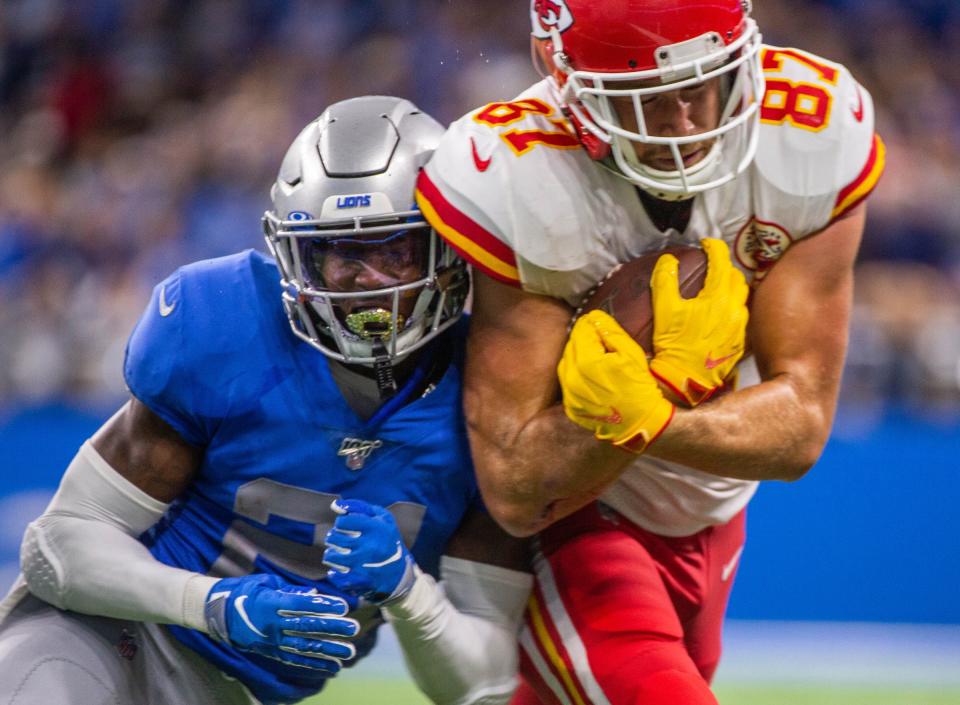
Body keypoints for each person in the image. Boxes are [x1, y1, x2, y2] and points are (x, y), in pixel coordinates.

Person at [414, 1, 886, 704]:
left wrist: (654, 414)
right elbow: (517, 487)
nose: (685, 123)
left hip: (715, 515)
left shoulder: (811, 128)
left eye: (700, 84)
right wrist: (659, 390)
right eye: (648, 100)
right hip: (575, 522)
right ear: (563, 76)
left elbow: (802, 425)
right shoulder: (518, 172)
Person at [0, 96, 532, 705]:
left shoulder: (494, 391)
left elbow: (484, 683)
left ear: (448, 250)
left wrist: (408, 592)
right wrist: (210, 603)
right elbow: (57, 546)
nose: (367, 283)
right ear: (294, 258)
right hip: (114, 640)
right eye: (339, 255)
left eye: (395, 252)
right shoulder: (225, 326)